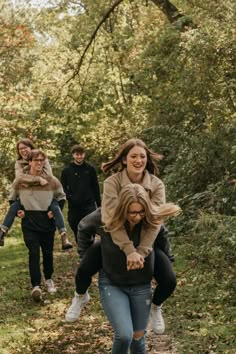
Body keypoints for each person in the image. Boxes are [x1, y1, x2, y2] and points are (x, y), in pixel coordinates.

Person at [65, 138, 176, 334]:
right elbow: (111, 220)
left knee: (169, 279)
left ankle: (155, 306)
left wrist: (140, 251)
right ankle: (80, 296)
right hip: (114, 233)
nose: (139, 160)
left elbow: (155, 222)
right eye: (133, 156)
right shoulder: (112, 182)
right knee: (84, 269)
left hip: (145, 236)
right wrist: (128, 250)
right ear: (124, 159)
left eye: (142, 156)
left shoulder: (157, 185)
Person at [67, 184, 180, 354]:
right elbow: (83, 227)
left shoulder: (150, 219)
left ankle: (155, 309)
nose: (136, 217)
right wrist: (86, 254)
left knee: (138, 338)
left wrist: (163, 265)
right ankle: (80, 297)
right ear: (122, 209)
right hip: (113, 283)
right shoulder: (104, 216)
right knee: (124, 335)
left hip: (141, 284)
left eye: (141, 212)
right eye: (132, 212)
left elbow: (162, 239)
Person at [8, 149, 66, 301]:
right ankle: (36, 285)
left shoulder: (52, 180)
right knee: (33, 252)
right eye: (36, 160)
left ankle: (48, 279)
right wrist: (19, 210)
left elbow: (61, 197)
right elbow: (12, 199)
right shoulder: (21, 180)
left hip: (47, 223)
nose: (39, 163)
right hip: (29, 223)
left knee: (47, 253)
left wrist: (55, 212)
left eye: (41, 160)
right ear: (30, 162)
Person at [0, 138, 72, 250]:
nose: (23, 151)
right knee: (14, 206)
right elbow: (19, 178)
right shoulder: (18, 163)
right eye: (20, 149)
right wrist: (37, 179)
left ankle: (63, 235)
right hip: (28, 197)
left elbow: (48, 176)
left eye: (25, 148)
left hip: (46, 193)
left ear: (31, 147)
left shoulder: (42, 158)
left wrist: (29, 181)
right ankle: (2, 231)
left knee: (55, 207)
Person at [61, 144, 101, 242]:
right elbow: (62, 188)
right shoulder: (67, 170)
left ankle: (90, 250)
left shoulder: (90, 169)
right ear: (73, 155)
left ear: (84, 155)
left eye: (81, 154)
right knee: (76, 228)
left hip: (89, 204)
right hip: (74, 205)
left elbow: (95, 187)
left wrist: (99, 205)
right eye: (77, 154)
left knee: (90, 227)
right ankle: (82, 251)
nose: (79, 156)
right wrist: (69, 197)